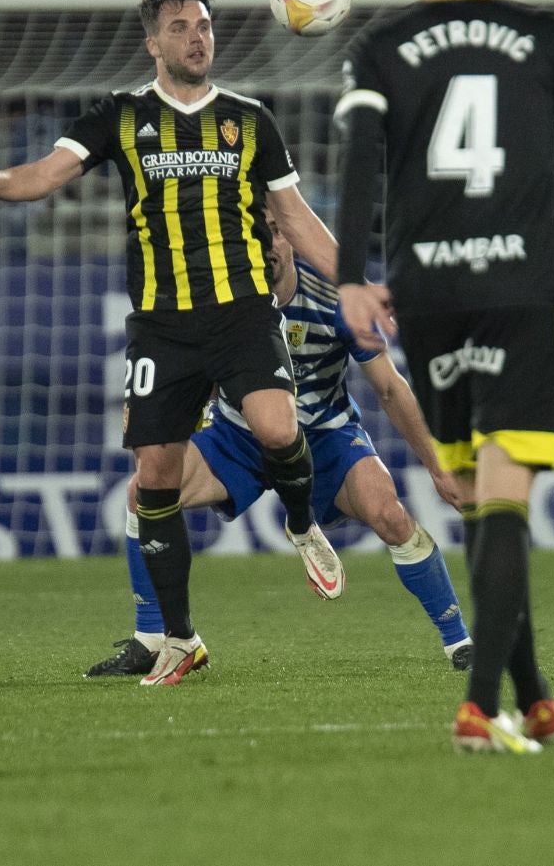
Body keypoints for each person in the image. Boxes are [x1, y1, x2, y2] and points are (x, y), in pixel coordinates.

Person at [0, 0, 344, 688]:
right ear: (152, 43)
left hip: (243, 307)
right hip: (162, 323)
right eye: (182, 26)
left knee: (278, 428)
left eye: (206, 26)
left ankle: (303, 521)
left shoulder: (250, 118)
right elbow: (47, 172)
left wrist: (361, 282)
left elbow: (300, 220)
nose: (198, 36)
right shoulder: (121, 115)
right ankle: (178, 637)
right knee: (153, 475)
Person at [333, 0, 554, 753]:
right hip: (518, 287)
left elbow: (357, 164)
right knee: (504, 493)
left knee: (471, 494)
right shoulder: (541, 35)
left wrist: (353, 277)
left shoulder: (381, 45)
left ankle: (533, 696)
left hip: (426, 294)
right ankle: (478, 701)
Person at [86, 212, 473, 678]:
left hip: (326, 437)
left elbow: (390, 389)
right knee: (143, 492)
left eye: (271, 228)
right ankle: (151, 639)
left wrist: (437, 466)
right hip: (238, 438)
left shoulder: (334, 301)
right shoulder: (220, 297)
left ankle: (461, 641)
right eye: (251, 231)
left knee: (390, 515)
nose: (264, 242)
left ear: (293, 236)